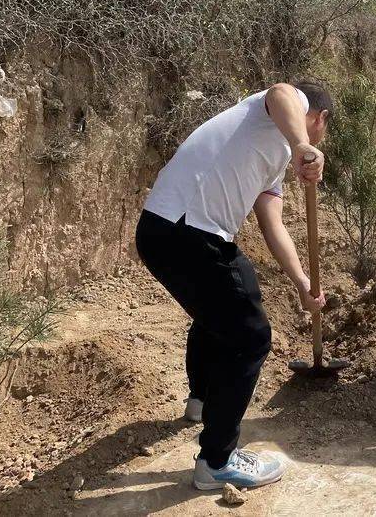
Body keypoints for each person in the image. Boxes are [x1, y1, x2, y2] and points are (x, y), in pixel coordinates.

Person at [135, 81, 333, 491]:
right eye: (320, 130)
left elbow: (272, 223)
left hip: (167, 230)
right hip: (188, 228)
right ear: (319, 118)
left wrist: (302, 282)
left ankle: (202, 401)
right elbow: (281, 91)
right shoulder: (285, 108)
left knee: (218, 316)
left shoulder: (273, 154)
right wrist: (301, 144)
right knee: (250, 335)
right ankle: (217, 461)